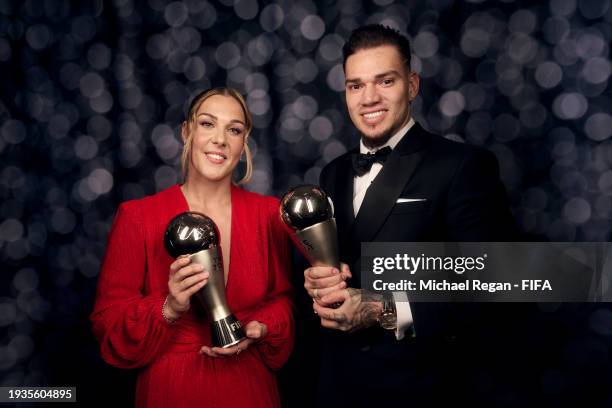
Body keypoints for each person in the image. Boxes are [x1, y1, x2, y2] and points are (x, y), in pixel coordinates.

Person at [303, 25, 519, 406]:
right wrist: (320, 278)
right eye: (356, 86)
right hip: (338, 387)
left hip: (421, 388)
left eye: (385, 81)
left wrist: (381, 309)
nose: (369, 98)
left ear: (412, 85)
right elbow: (346, 264)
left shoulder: (462, 166)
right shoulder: (332, 173)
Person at [91, 87, 294, 408]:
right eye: (207, 124)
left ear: (243, 145)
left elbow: (282, 300)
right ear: (187, 131)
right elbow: (108, 322)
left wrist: (262, 327)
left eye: (234, 129)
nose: (220, 140)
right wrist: (168, 307)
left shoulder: (269, 214)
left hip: (249, 388)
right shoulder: (137, 217)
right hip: (172, 388)